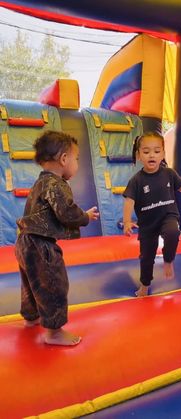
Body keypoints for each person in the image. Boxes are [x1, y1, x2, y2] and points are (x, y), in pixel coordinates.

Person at [15, 130, 99, 346]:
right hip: (40, 244)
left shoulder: (40, 182)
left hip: (24, 241)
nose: (77, 164)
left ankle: (31, 317)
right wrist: (86, 217)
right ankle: (53, 332)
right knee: (53, 283)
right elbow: (66, 212)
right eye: (76, 158)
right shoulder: (56, 184)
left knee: (32, 282)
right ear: (64, 159)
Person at [123, 131, 181, 297]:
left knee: (173, 232)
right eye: (146, 152)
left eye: (156, 151)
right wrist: (127, 221)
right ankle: (145, 285)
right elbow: (129, 201)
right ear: (139, 155)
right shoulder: (136, 180)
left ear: (162, 153)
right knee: (146, 257)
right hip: (147, 225)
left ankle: (168, 260)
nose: (151, 155)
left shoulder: (169, 174)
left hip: (168, 216)